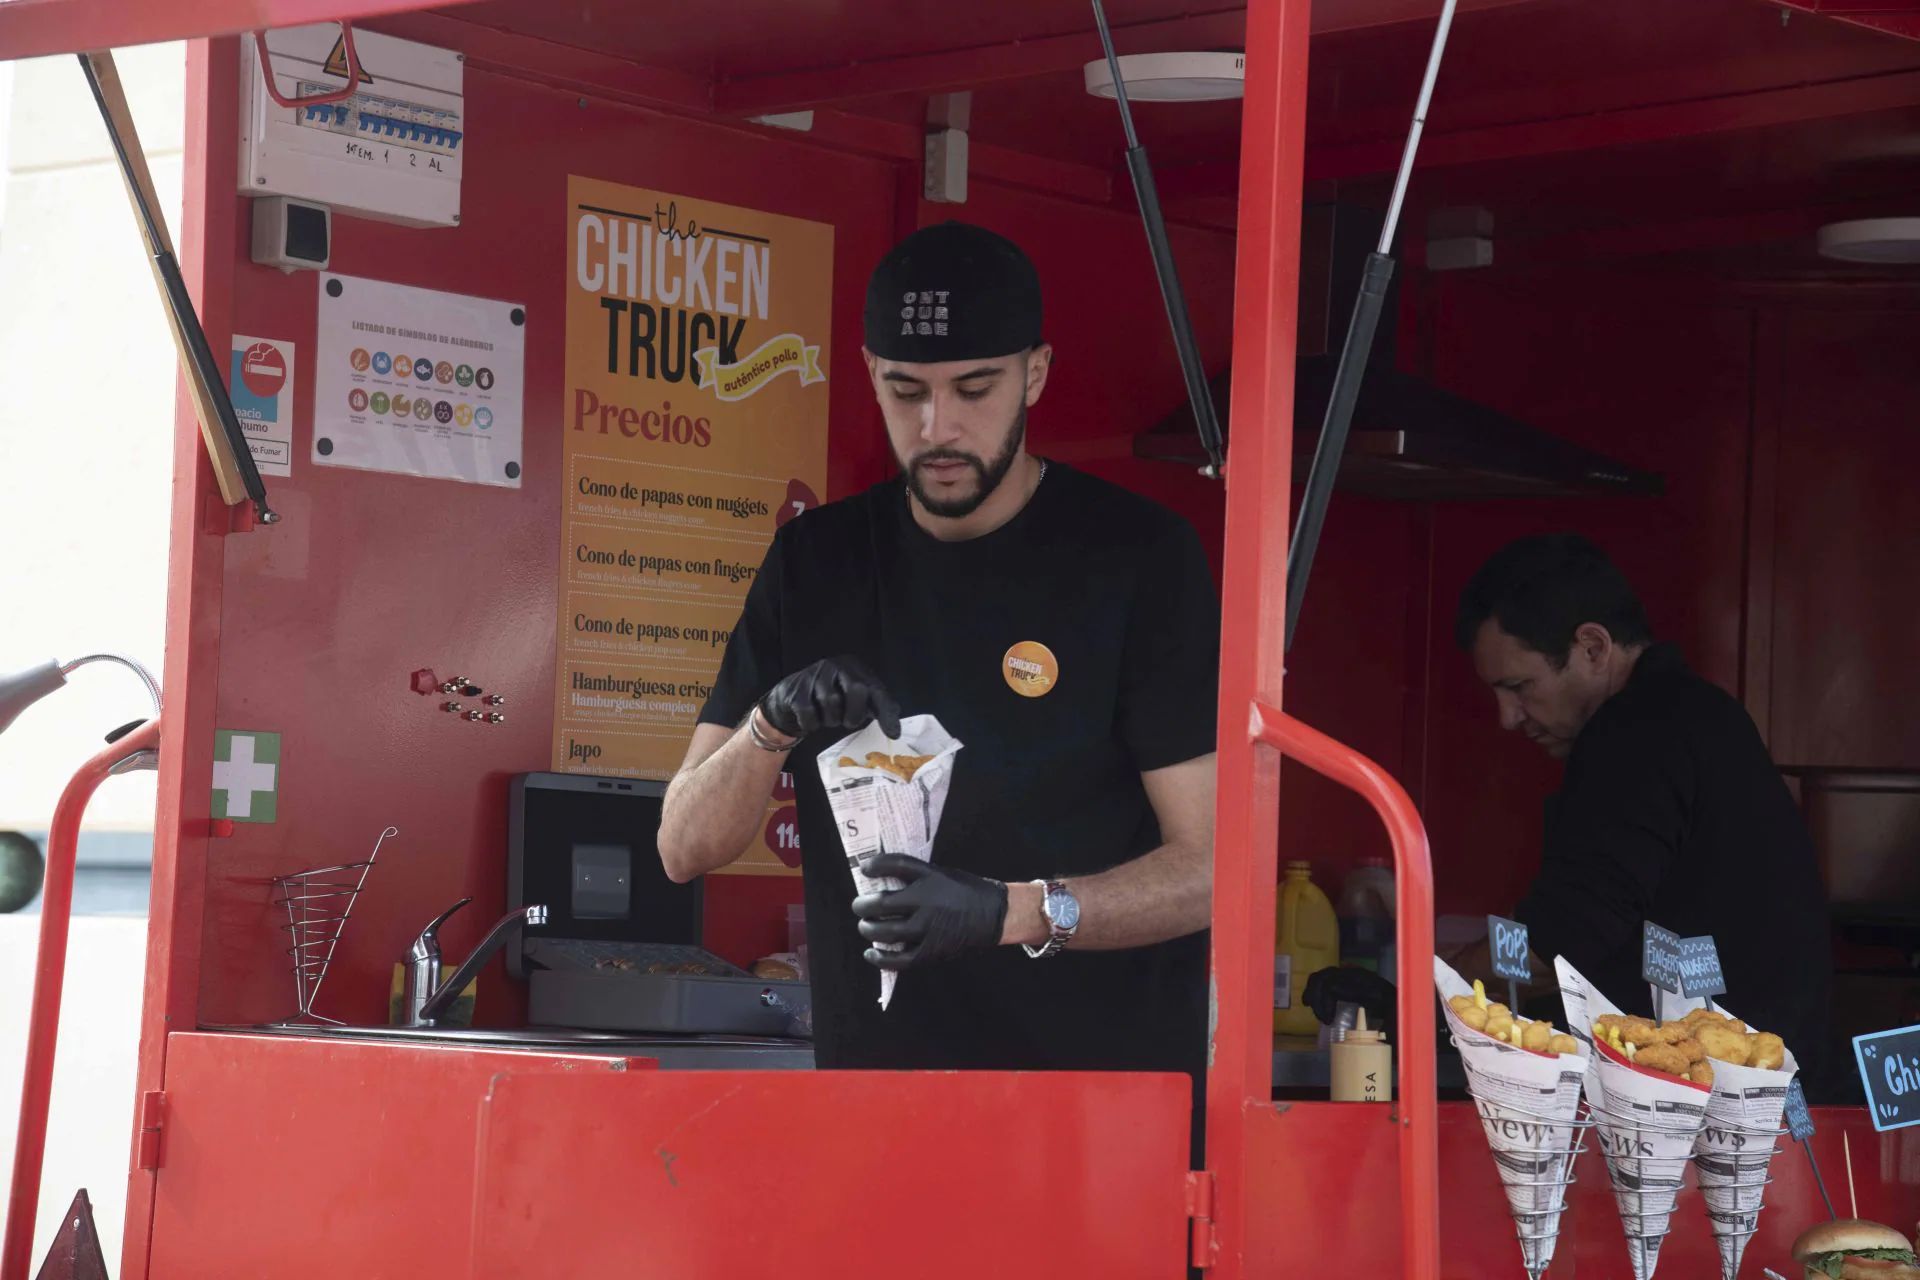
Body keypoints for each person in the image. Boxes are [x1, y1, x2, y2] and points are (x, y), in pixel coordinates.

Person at [657, 221, 1220, 1138]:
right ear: (873, 372)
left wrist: (1011, 912)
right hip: (880, 1118)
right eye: (907, 390)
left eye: (975, 388)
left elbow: (1214, 870)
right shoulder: (816, 560)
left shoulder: (1136, 557)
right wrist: (770, 724)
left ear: (1034, 373)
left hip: (1100, 1124)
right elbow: (684, 845)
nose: (938, 428)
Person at [1452, 533, 1832, 1080]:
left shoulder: (1633, 733)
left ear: (1592, 647)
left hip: (1705, 1102)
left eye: (1519, 686)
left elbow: (1554, 939)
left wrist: (1438, 977)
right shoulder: (1700, 714)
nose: (1508, 716)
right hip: (1755, 1088)